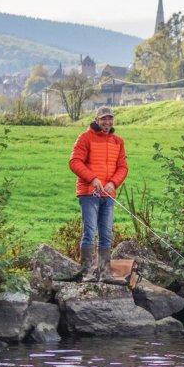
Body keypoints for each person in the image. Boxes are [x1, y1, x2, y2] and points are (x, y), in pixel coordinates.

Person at [69, 106, 128, 283]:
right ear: (96, 120)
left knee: (106, 234)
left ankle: (105, 273)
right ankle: (87, 273)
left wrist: (113, 183)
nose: (107, 122)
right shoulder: (85, 138)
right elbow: (74, 162)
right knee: (89, 232)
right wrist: (93, 179)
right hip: (89, 193)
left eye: (110, 119)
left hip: (108, 195)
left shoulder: (118, 141)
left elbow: (123, 167)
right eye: (103, 119)